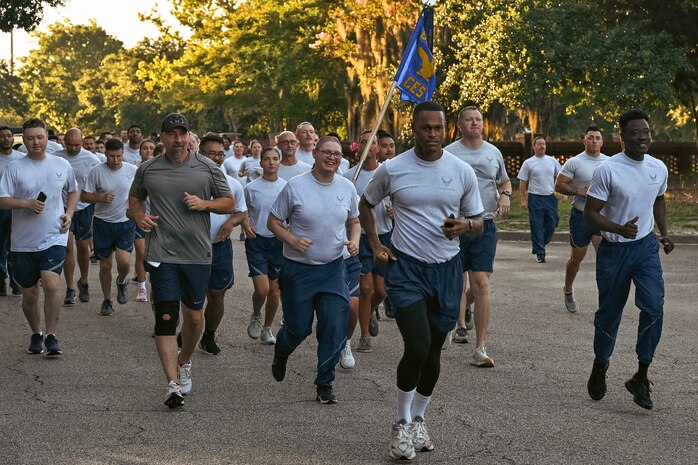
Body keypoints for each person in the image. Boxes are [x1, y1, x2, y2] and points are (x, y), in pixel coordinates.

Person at [359, 101, 484, 459]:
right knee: (416, 346)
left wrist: (465, 226)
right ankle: (400, 424)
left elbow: (479, 221)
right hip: (406, 268)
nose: (432, 134)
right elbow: (366, 204)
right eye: (425, 128)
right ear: (412, 129)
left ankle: (418, 418)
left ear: (447, 130)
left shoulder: (461, 171)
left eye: (438, 129)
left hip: (446, 269)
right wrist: (375, 243)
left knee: (432, 351)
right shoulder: (393, 168)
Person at [129, 113, 234, 408]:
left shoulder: (206, 167)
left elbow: (229, 202)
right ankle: (172, 384)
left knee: (195, 318)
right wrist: (139, 216)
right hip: (162, 254)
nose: (178, 140)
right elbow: (134, 200)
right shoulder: (148, 169)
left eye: (182, 134)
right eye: (171, 134)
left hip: (197, 255)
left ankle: (184, 359)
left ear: (189, 136)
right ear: (162, 137)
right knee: (165, 319)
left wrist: (205, 204)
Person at [584, 109, 673, 411]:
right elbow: (590, 213)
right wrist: (618, 228)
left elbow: (658, 199)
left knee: (654, 306)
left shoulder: (658, 168)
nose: (642, 137)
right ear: (622, 137)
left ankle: (641, 375)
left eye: (646, 131)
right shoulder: (608, 170)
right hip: (614, 250)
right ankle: (601, 362)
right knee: (610, 313)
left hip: (645, 247)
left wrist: (664, 233)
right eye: (635, 132)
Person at [268, 136, 360, 404]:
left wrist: (354, 241)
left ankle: (324, 383)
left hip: (333, 268)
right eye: (326, 153)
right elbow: (273, 221)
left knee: (333, 325)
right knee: (298, 329)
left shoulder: (346, 187)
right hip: (298, 270)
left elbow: (354, 221)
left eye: (336, 154)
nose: (332, 158)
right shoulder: (295, 187)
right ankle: (282, 352)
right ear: (316, 155)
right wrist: (293, 240)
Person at [0, 118, 78, 356]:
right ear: (23, 140)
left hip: (54, 236)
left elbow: (73, 190)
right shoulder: (14, 167)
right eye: (31, 138)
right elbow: (2, 200)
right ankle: (36, 333)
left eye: (40, 137)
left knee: (52, 283)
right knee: (30, 293)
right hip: (23, 241)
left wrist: (70, 213)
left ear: (48, 138)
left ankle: (52, 335)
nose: (36, 142)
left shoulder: (62, 164)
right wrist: (26, 203)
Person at [445, 106, 511, 363]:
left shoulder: (493, 152)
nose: (475, 123)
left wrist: (505, 194)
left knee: (480, 283)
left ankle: (480, 347)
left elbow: (504, 181)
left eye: (478, 120)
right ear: (459, 124)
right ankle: (451, 324)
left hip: (484, 224)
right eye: (469, 120)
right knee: (455, 284)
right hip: (455, 225)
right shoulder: (448, 153)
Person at [196, 134, 247, 354]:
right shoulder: (190, 181)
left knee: (217, 294)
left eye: (220, 154)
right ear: (199, 154)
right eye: (211, 153)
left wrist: (230, 223)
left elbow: (241, 211)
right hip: (192, 247)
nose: (216, 158)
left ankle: (208, 335)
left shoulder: (233, 184)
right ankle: (190, 330)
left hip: (220, 246)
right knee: (192, 297)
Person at [341, 130, 389, 356]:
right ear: (357, 147)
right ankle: (364, 336)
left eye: (372, 142)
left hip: (385, 236)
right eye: (363, 141)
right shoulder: (348, 176)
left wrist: (395, 210)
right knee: (366, 288)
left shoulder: (387, 173)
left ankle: (370, 311)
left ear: (378, 148)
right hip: (360, 237)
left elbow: (400, 200)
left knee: (381, 290)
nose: (367, 145)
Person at [555, 126, 609, 312]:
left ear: (602, 142)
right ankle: (568, 290)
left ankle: (607, 298)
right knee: (577, 258)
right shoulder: (574, 162)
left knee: (604, 257)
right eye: (590, 137)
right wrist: (579, 191)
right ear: (584, 141)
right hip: (581, 215)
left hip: (603, 216)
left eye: (597, 138)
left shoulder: (610, 162)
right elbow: (559, 185)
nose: (594, 140)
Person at [81, 139, 137, 316]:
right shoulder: (96, 171)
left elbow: (139, 194)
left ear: (123, 154)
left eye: (119, 156)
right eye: (112, 156)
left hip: (125, 222)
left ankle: (121, 281)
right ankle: (106, 300)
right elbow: (84, 196)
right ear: (105, 154)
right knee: (105, 266)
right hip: (102, 223)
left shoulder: (132, 170)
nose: (115, 160)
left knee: (124, 261)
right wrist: (100, 198)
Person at [242, 147, 287, 345]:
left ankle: (267, 329)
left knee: (275, 290)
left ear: (280, 162)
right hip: (257, 241)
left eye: (275, 159)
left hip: (278, 242)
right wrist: (245, 225)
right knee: (262, 289)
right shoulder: (251, 188)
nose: (271, 162)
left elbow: (294, 212)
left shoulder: (287, 187)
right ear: (260, 163)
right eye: (267, 159)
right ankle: (256, 314)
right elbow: (242, 211)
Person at [56, 128, 102, 305]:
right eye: (70, 145)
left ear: (82, 143)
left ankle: (83, 282)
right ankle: (69, 288)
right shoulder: (57, 157)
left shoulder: (92, 159)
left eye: (77, 145)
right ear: (64, 142)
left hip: (83, 208)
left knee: (83, 248)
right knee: (67, 248)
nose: (73, 148)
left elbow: (100, 180)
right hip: (62, 208)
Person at [517, 135, 561, 263]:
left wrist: (562, 191)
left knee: (553, 222)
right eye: (539, 144)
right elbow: (523, 182)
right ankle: (540, 252)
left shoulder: (552, 161)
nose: (542, 146)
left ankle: (542, 242)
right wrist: (523, 199)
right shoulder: (529, 163)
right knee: (537, 225)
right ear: (534, 147)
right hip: (535, 198)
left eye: (544, 144)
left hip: (550, 197)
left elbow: (560, 177)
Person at [131, 139, 156, 302]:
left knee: (155, 255)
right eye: (144, 148)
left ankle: (157, 285)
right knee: (141, 252)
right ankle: (141, 287)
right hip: (141, 216)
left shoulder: (161, 168)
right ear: (139, 152)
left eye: (151, 148)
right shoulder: (135, 169)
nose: (148, 150)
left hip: (159, 217)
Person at [0, 126, 24, 296]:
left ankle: (16, 282)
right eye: (2, 136)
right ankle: (1, 281)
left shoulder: (21, 159)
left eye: (9, 136)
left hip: (17, 208)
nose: (6, 139)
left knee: (16, 246)